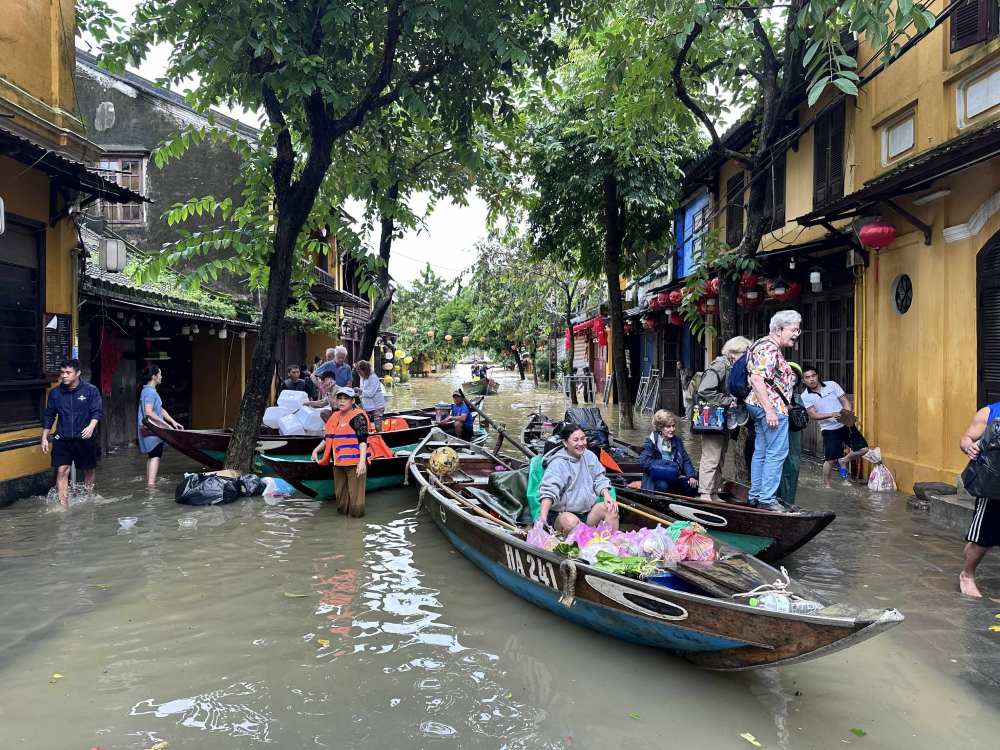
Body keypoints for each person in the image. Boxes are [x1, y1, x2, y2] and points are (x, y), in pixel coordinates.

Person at [746, 309, 801, 509]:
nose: (797, 334)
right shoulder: (770, 348)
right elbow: (756, 379)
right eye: (793, 329)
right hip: (771, 407)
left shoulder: (760, 344)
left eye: (798, 330)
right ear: (779, 330)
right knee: (776, 453)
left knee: (762, 451)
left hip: (757, 404)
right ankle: (766, 499)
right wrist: (770, 410)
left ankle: (756, 495)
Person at [695, 336, 753, 502]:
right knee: (711, 456)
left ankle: (713, 492)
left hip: (725, 418)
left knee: (720, 457)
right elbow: (704, 390)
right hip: (713, 417)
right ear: (733, 352)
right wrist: (728, 400)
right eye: (743, 353)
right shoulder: (720, 365)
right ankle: (705, 493)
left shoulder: (733, 367)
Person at [40, 359, 103, 506]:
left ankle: (89, 498)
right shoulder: (55, 393)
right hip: (62, 438)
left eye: (68, 372)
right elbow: (49, 415)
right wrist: (44, 437)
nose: (64, 376)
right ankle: (63, 505)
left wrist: (91, 426)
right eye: (62, 372)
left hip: (84, 437)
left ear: (78, 373)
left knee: (88, 470)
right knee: (62, 470)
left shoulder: (91, 390)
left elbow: (97, 411)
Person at [538, 423, 619, 533]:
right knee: (570, 522)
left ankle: (612, 541)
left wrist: (606, 495)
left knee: (611, 509)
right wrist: (542, 518)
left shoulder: (590, 456)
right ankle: (585, 538)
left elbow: (599, 478)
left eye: (583, 439)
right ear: (565, 443)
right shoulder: (558, 463)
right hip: (562, 515)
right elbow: (549, 491)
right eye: (575, 440)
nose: (581, 443)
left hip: (586, 513)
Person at [801, 365, 869, 487]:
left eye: (813, 376)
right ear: (803, 380)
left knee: (863, 449)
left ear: (817, 376)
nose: (811, 379)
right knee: (830, 460)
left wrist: (847, 413)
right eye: (807, 377)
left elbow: (845, 401)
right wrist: (831, 414)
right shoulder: (805, 396)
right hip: (829, 429)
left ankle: (843, 460)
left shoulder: (831, 385)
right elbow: (813, 415)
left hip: (845, 424)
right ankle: (827, 486)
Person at [958, 401, 1000, 597]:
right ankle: (967, 575)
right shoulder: (990, 412)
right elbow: (966, 439)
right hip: (993, 487)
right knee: (982, 537)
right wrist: (970, 447)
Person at [311, 386, 369, 517]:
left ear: (352, 401)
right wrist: (316, 450)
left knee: (356, 500)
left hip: (354, 464)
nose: (342, 401)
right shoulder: (335, 416)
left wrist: (362, 462)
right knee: (341, 499)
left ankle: (356, 524)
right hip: (338, 463)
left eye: (346, 398)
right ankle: (343, 522)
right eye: (340, 398)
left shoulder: (358, 417)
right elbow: (328, 438)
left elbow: (363, 441)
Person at [137, 366, 183, 487]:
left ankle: (149, 484)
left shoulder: (148, 390)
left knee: (152, 455)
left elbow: (160, 409)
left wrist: (172, 422)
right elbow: (149, 412)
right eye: (160, 374)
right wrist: (165, 424)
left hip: (151, 429)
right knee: (155, 456)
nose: (161, 377)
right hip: (153, 429)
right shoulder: (150, 392)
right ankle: (151, 486)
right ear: (154, 376)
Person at [639, 410, 698, 496]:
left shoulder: (677, 441)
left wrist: (691, 476)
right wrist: (668, 466)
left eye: (673, 426)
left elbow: (686, 460)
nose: (672, 429)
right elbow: (644, 462)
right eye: (668, 427)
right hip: (657, 479)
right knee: (663, 485)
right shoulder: (650, 441)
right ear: (660, 427)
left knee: (692, 485)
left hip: (674, 477)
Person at [778, 362, 805, 505]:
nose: (789, 377)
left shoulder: (798, 398)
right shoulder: (770, 396)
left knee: (791, 468)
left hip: (792, 442)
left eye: (793, 375)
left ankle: (787, 502)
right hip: (775, 441)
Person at [355, 360, 387, 430]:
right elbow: (363, 391)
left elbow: (370, 394)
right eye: (358, 372)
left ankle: (379, 434)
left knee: (378, 426)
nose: (359, 374)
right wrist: (356, 393)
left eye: (360, 372)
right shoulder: (362, 377)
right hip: (367, 406)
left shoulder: (373, 378)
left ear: (365, 370)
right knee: (364, 424)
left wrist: (360, 390)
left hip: (377, 406)